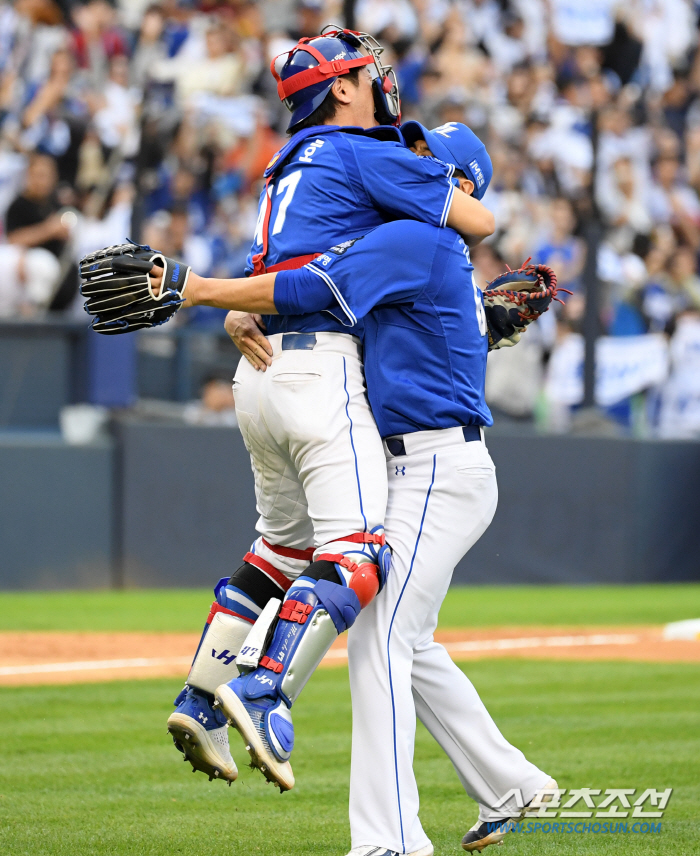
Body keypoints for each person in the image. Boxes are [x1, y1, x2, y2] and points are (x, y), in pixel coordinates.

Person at [151, 121, 555, 856]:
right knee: (407, 640)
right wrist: (248, 303)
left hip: (436, 467)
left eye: (424, 154)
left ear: (456, 186)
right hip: (422, 464)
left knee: (377, 639)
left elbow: (312, 287)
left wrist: (208, 292)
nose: (407, 156)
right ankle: (516, 788)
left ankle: (389, 841)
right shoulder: (420, 247)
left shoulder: (417, 240)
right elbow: (320, 297)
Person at [166, 25, 495, 796]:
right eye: (369, 76)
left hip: (259, 374)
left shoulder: (287, 167)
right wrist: (202, 293)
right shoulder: (368, 160)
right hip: (318, 368)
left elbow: (281, 275)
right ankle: (261, 692)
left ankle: (199, 697)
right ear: (342, 88)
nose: (386, 94)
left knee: (278, 551)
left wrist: (222, 303)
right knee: (355, 555)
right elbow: (476, 221)